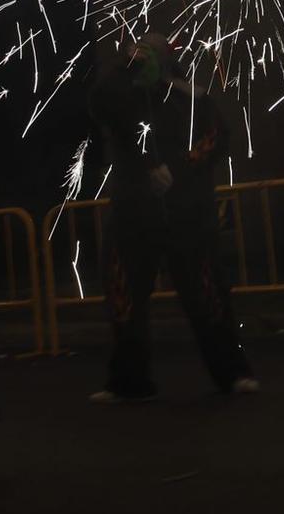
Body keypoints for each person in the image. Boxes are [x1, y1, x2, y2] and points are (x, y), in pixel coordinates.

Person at [87, 33, 257, 403]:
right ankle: (129, 380)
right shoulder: (122, 92)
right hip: (133, 212)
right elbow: (102, 100)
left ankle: (232, 373)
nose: (145, 53)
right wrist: (125, 65)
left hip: (187, 213)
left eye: (153, 50)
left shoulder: (189, 96)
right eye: (139, 49)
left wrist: (177, 170)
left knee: (207, 293)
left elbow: (215, 136)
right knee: (123, 296)